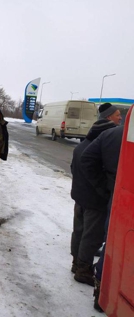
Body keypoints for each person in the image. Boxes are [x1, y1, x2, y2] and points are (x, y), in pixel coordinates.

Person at [69, 107, 118, 287]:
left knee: (79, 231)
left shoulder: (81, 146)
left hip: (79, 197)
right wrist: (105, 191)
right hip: (94, 201)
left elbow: (73, 169)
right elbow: (100, 175)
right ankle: (83, 270)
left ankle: (76, 263)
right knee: (92, 236)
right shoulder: (99, 150)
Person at [80, 125, 124, 312]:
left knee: (112, 242)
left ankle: (102, 293)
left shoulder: (113, 133)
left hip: (116, 194)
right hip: (116, 194)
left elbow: (87, 158)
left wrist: (105, 186)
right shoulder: (115, 133)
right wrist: (103, 187)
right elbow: (86, 159)